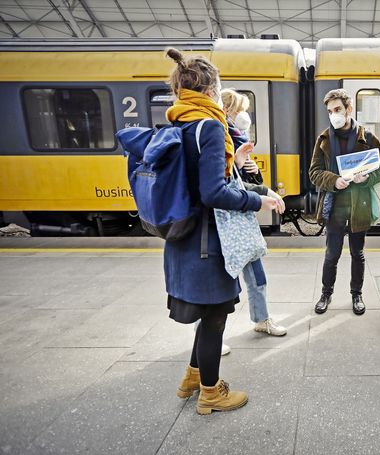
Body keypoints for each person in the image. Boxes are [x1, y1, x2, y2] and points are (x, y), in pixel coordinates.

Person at [161, 48, 281, 415]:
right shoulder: (210, 126)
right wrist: (255, 202)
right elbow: (213, 192)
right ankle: (211, 394)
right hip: (208, 244)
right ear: (212, 88)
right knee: (215, 319)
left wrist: (245, 177)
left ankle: (192, 378)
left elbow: (203, 183)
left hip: (183, 239)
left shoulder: (177, 122)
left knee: (207, 315)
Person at [309, 89, 380, 315]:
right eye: (330, 111)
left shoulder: (368, 138)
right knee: (331, 254)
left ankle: (357, 295)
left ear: (349, 109)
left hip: (358, 206)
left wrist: (367, 178)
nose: (334, 115)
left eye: (338, 109)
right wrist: (334, 180)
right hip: (334, 207)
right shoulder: (323, 139)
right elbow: (314, 172)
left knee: (357, 254)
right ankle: (326, 293)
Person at [220, 88, 287, 337]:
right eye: (239, 110)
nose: (243, 115)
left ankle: (262, 318)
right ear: (227, 109)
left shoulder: (235, 136)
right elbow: (223, 186)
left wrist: (245, 167)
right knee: (221, 282)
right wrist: (264, 192)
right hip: (222, 222)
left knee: (256, 274)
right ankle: (208, 335)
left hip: (242, 219)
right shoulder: (217, 137)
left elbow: (244, 178)